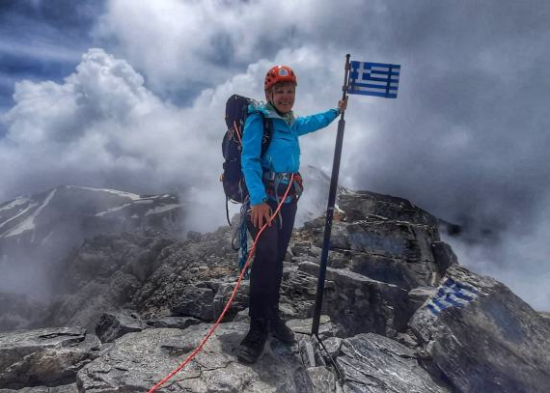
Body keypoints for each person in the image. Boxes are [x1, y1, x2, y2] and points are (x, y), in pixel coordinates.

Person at [237, 65, 347, 364]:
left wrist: (335, 112)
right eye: (280, 91)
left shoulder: (288, 122)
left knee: (278, 259)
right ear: (269, 94)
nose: (286, 96)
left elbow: (311, 122)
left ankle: (272, 317)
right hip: (264, 202)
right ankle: (256, 330)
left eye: (290, 91)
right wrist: (258, 200)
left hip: (287, 200)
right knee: (266, 259)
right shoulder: (260, 119)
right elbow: (248, 160)